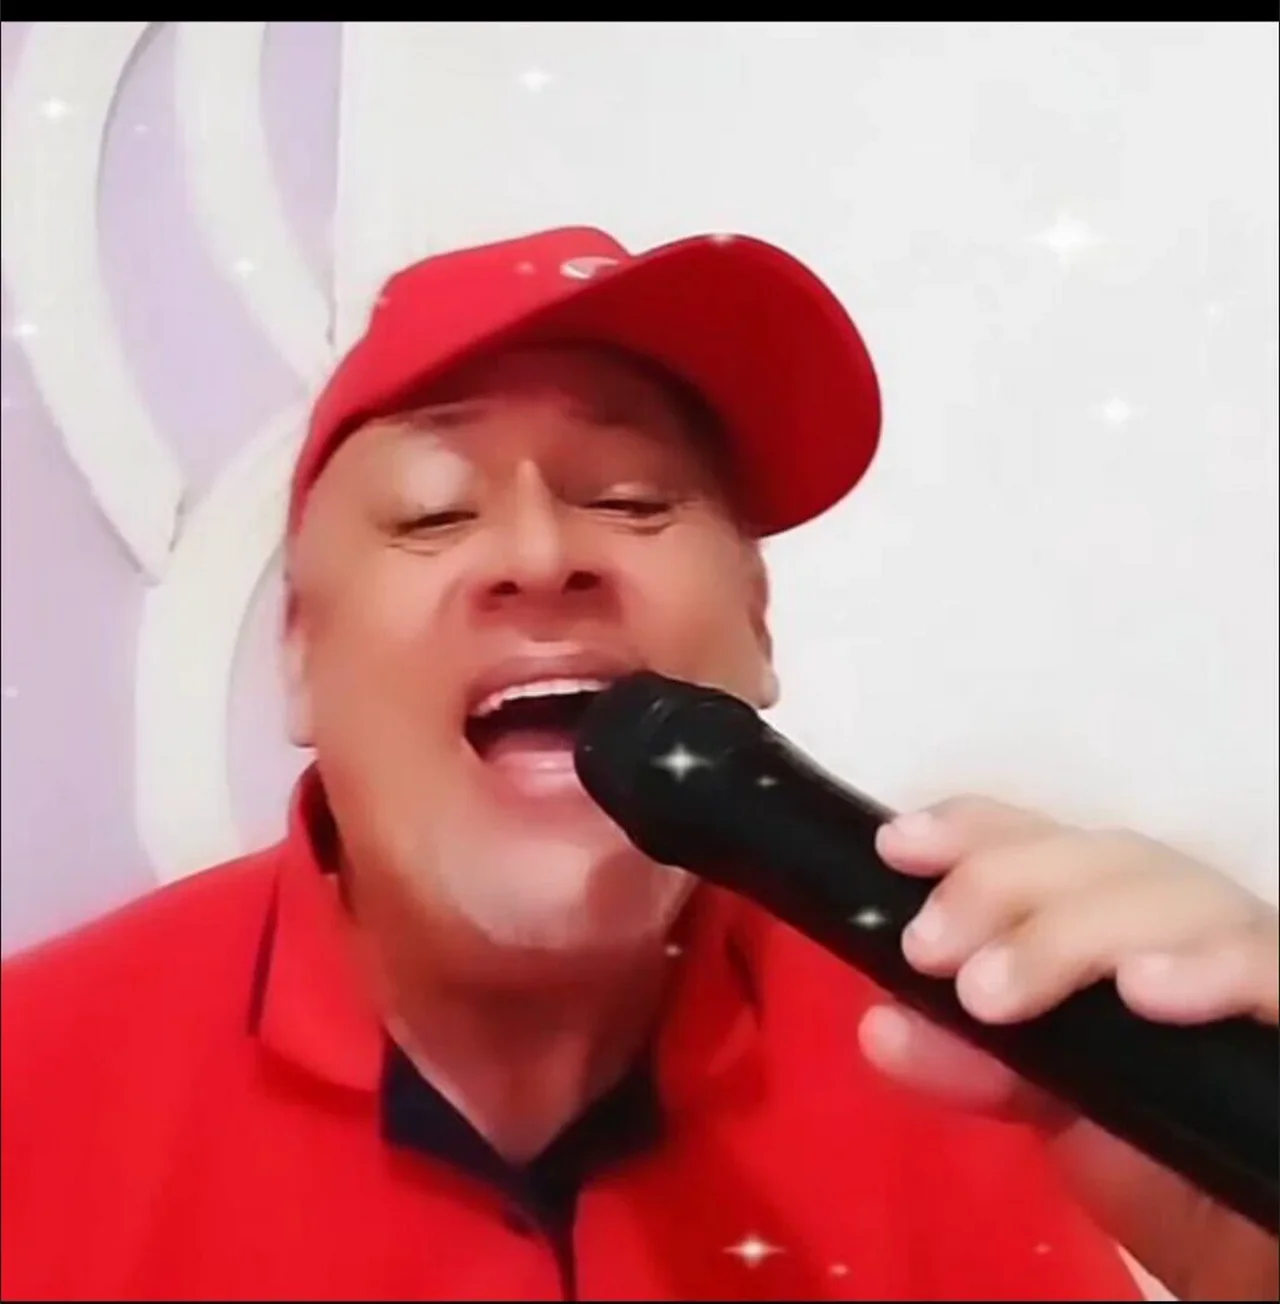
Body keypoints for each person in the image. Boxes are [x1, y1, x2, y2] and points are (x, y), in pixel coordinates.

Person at [0, 225, 1274, 1303]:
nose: (541, 554)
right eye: (435, 509)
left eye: (630, 497)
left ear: (756, 631)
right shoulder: (30, 1095)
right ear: (297, 659)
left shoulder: (1000, 1089)